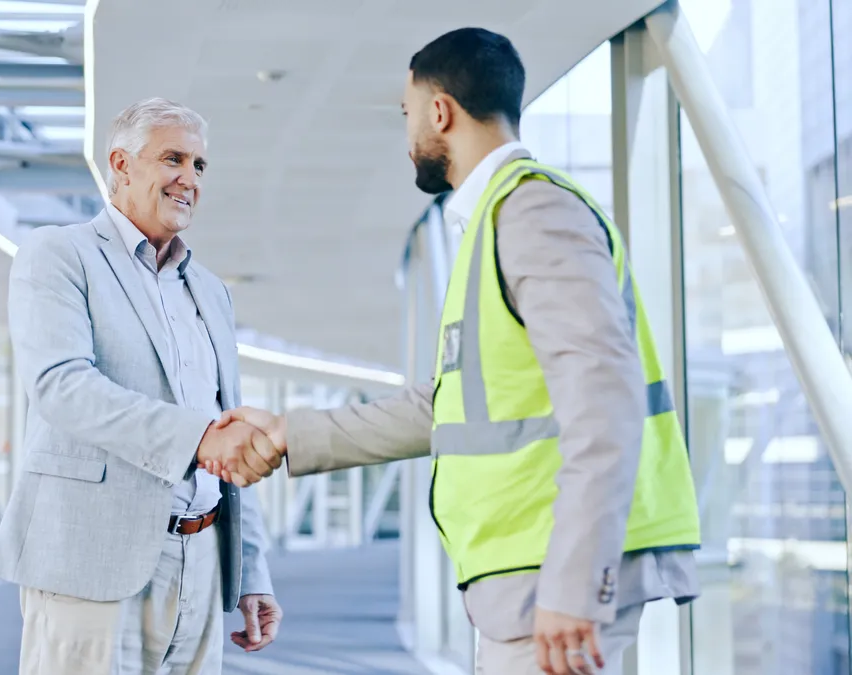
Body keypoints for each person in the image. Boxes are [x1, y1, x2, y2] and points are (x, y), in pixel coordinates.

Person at [208, 27, 702, 675]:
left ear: (440, 112)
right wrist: (286, 432)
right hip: (522, 582)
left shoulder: (531, 214)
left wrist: (573, 583)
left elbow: (604, 404)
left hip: (552, 580)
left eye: (408, 114)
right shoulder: (493, 223)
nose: (408, 132)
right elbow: (448, 406)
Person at [0, 97, 283, 675]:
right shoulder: (59, 255)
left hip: (200, 562)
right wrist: (198, 438)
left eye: (199, 166)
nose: (189, 178)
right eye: (173, 158)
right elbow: (62, 385)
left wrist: (251, 571)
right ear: (120, 165)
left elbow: (229, 426)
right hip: (90, 559)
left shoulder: (210, 290)